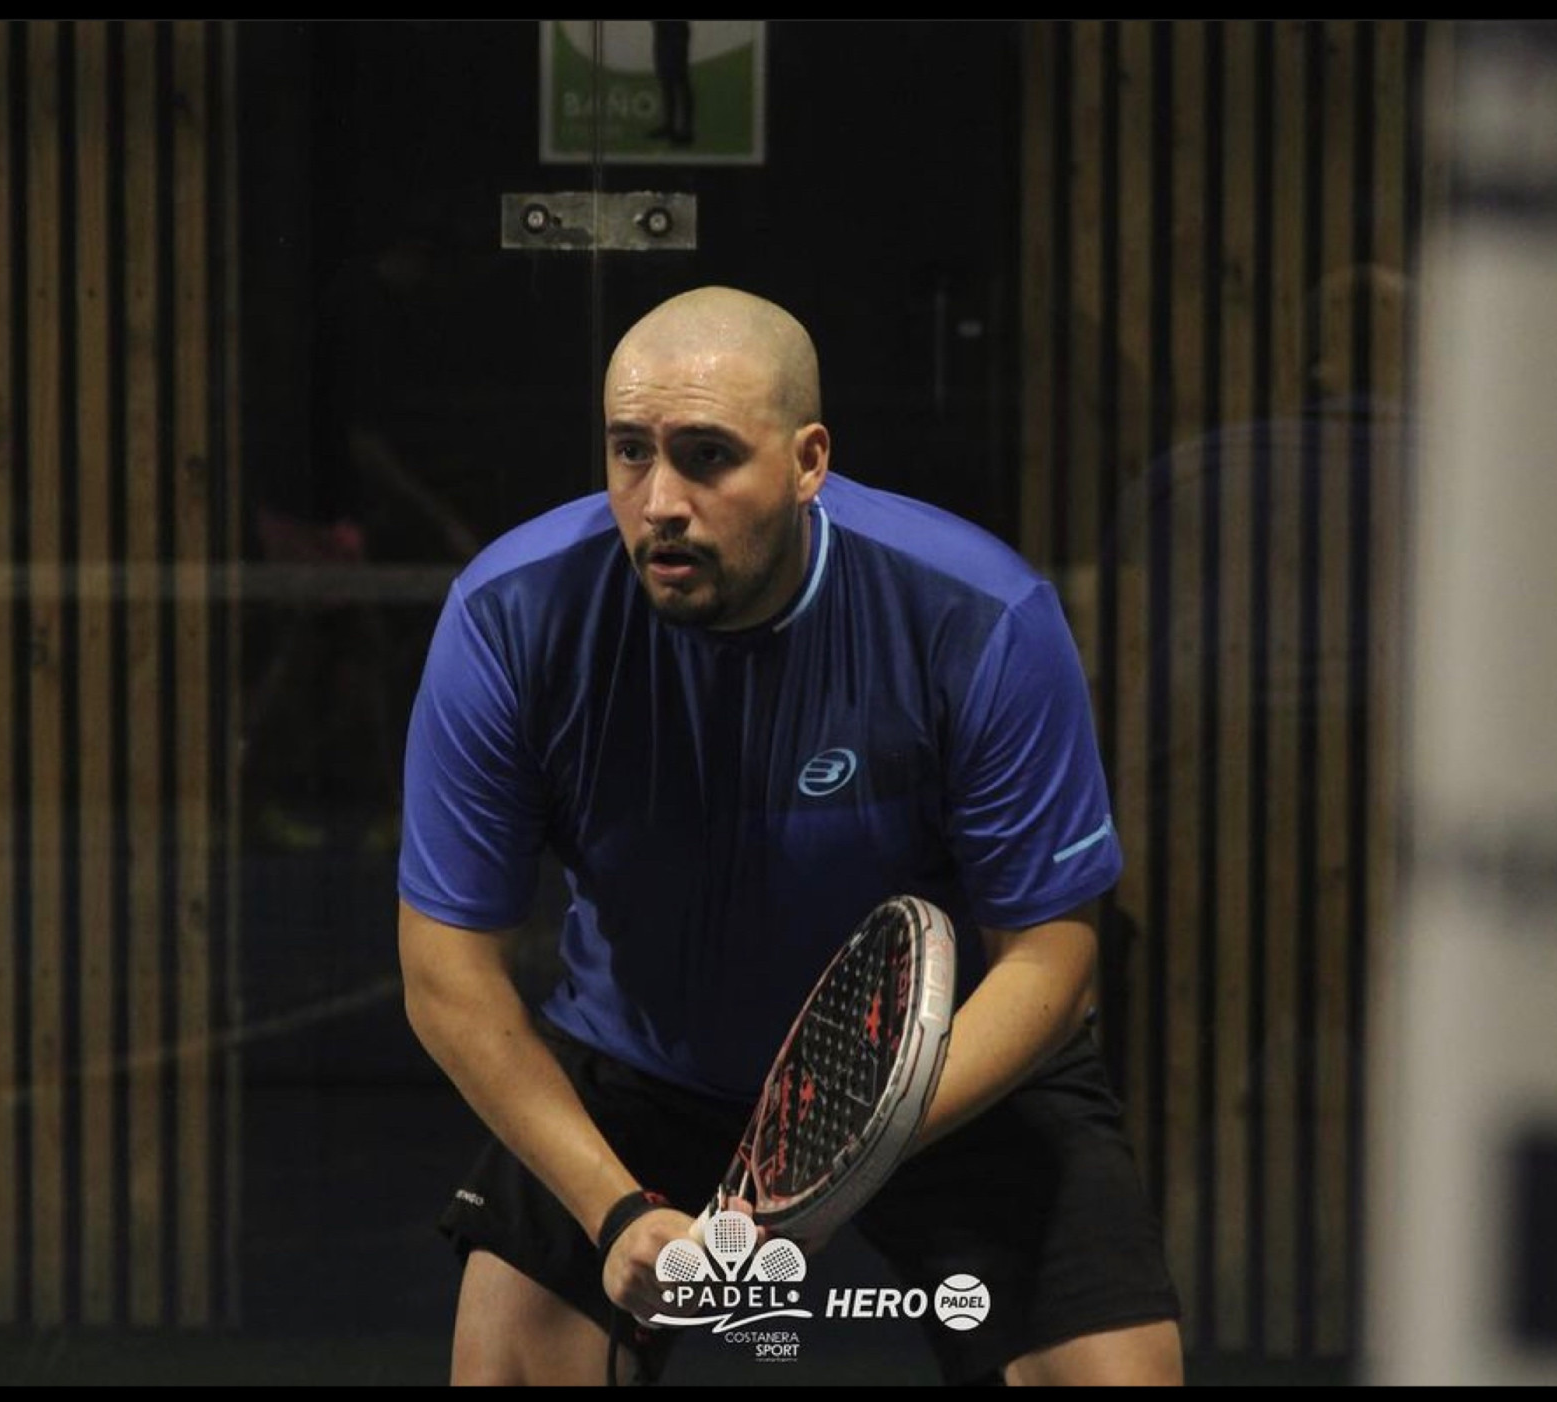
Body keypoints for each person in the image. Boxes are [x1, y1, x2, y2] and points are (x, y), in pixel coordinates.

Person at [397, 286, 1184, 1385]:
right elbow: (445, 974)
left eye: (707, 456)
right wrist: (615, 1210)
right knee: (511, 1368)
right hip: (642, 1066)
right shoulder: (510, 617)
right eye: (630, 452)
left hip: (936, 1069)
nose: (659, 501)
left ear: (808, 461)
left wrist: (840, 1155)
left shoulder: (980, 615)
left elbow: (1051, 956)